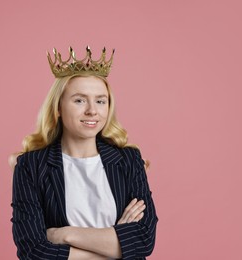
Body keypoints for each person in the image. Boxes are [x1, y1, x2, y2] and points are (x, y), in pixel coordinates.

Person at [10, 46, 158, 260]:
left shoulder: (128, 160)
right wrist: (114, 244)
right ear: (58, 108)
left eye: (100, 100)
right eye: (79, 100)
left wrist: (66, 234)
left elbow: (144, 239)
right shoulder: (31, 166)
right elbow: (33, 250)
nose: (92, 110)